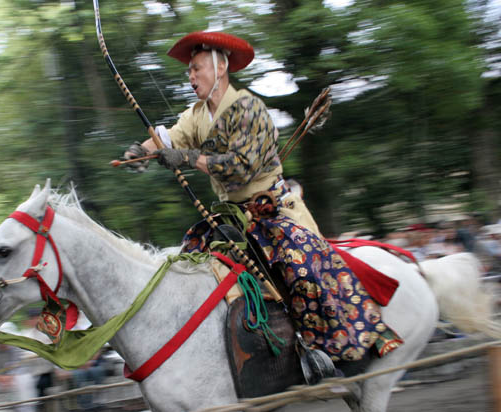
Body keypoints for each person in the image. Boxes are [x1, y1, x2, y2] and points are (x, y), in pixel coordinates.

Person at [124, 31, 402, 365]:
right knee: (190, 260)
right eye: (189, 71)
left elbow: (238, 169)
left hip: (276, 214)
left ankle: (315, 350)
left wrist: (185, 158)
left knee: (302, 271)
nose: (191, 76)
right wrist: (141, 150)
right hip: (233, 218)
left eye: (197, 68)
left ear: (221, 67)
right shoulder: (196, 115)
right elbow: (167, 137)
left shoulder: (249, 109)